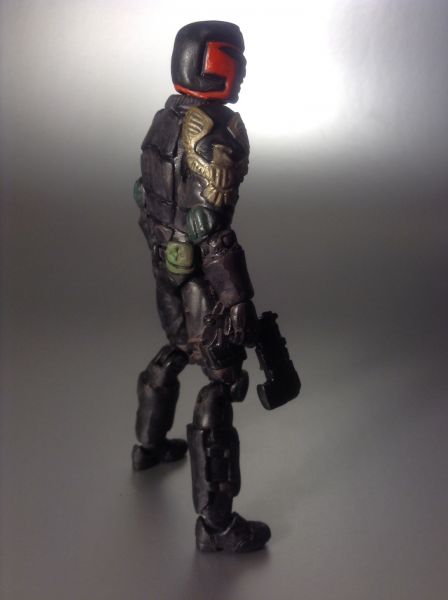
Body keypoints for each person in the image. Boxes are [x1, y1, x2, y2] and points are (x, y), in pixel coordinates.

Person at [132, 20, 271, 553]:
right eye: (234, 58)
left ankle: (148, 447)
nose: (242, 69)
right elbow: (211, 228)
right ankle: (216, 525)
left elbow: (146, 196)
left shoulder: (164, 119)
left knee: (174, 349)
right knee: (219, 383)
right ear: (212, 65)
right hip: (201, 280)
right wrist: (236, 296)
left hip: (165, 267)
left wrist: (166, 249)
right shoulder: (215, 130)